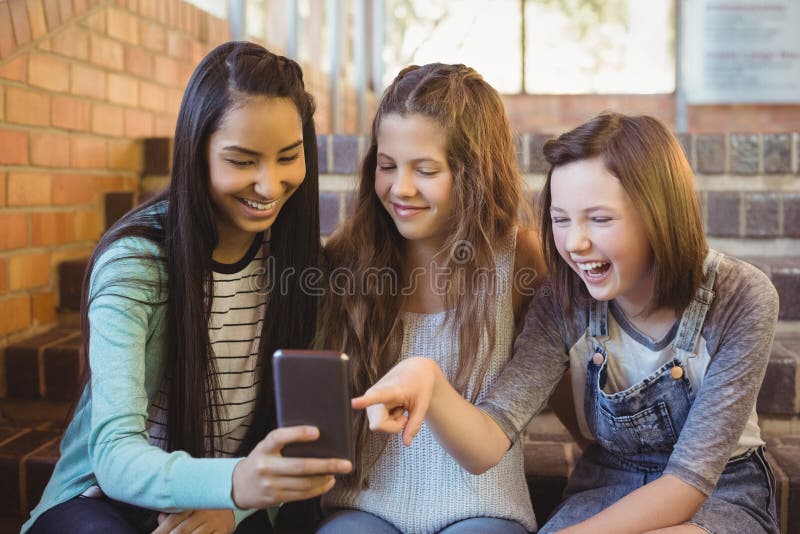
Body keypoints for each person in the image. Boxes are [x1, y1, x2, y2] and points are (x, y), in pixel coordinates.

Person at [356, 112, 780, 533]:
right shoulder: (562, 303)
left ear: (660, 215)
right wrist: (426, 378)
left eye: (599, 219)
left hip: (719, 491)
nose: (575, 244)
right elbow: (487, 443)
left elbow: (688, 482)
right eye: (561, 219)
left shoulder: (741, 297)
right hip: (607, 484)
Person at [23, 41, 352, 534]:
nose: (270, 184)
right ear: (195, 152)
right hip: (103, 499)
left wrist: (234, 504)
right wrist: (234, 483)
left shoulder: (304, 271)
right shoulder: (136, 263)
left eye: (289, 157)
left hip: (232, 500)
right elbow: (113, 454)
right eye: (242, 161)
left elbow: (301, 451)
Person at [315, 63, 546, 534]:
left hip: (484, 507)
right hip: (365, 503)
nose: (400, 188)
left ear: (474, 174)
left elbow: (564, 386)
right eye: (386, 165)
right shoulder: (348, 255)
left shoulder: (518, 257)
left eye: (425, 170)